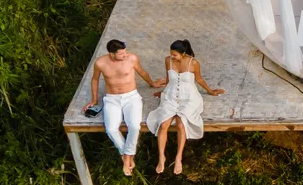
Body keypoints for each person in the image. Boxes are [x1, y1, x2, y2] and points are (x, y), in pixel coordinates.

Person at [89, 39, 166, 176]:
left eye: (125, 52)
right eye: (121, 54)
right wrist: (94, 100)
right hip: (112, 99)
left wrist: (153, 83)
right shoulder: (100, 63)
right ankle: (127, 154)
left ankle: (126, 158)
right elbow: (95, 79)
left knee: (134, 126)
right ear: (111, 54)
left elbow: (142, 72)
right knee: (111, 129)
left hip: (131, 97)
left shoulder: (132, 58)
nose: (125, 55)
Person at [147, 39, 223, 174]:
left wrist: (210, 91)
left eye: (175, 54)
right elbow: (169, 78)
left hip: (188, 97)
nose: (172, 56)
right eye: (171, 53)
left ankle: (178, 157)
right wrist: (164, 91)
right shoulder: (167, 60)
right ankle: (161, 156)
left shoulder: (193, 63)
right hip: (171, 95)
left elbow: (199, 79)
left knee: (181, 124)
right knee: (163, 124)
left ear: (183, 53)